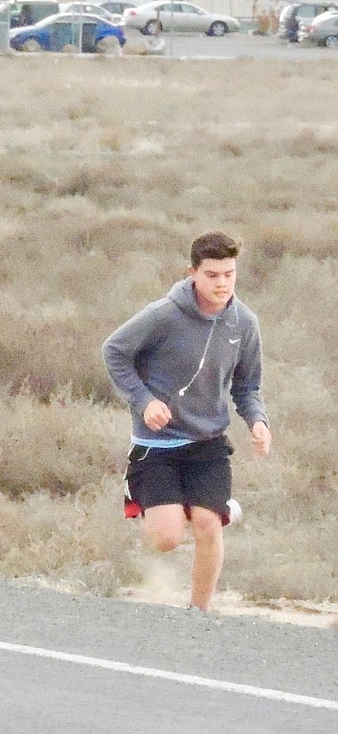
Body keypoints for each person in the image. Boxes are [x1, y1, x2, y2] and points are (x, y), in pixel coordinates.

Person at [103, 231, 271, 612]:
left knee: (208, 525)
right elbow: (114, 351)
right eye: (212, 275)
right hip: (157, 445)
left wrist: (257, 421)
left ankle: (199, 614)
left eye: (229, 274)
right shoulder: (163, 315)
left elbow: (247, 385)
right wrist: (144, 401)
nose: (222, 283)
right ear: (193, 273)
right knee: (165, 538)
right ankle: (140, 497)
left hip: (208, 443)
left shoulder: (244, 323)